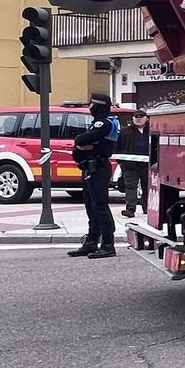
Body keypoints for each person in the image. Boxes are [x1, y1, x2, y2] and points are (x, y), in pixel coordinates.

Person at [70, 94, 120, 258]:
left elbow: (81, 139)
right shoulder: (102, 122)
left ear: (98, 105)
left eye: (91, 104)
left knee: (100, 207)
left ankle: (108, 244)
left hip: (98, 168)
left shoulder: (104, 123)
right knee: (91, 207)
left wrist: (82, 144)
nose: (89, 107)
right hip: (90, 167)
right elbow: (81, 144)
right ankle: (92, 242)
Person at [115, 109, 151, 219]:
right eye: (136, 117)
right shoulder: (125, 132)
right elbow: (117, 147)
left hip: (147, 165)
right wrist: (121, 162)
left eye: (141, 117)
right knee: (130, 186)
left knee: (148, 186)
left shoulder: (152, 131)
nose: (138, 119)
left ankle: (147, 208)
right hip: (129, 165)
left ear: (146, 118)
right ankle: (130, 209)